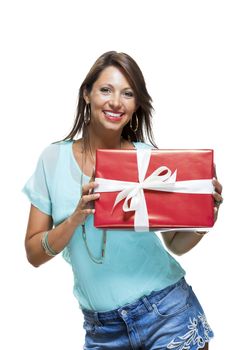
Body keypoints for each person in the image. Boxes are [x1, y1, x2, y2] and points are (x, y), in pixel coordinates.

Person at [22, 51, 223, 350]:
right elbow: (34, 253)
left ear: (136, 104)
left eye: (127, 94)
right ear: (86, 94)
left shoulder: (148, 161)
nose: (116, 102)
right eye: (106, 90)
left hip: (167, 313)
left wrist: (204, 218)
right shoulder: (53, 160)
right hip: (103, 330)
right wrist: (77, 216)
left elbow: (174, 245)